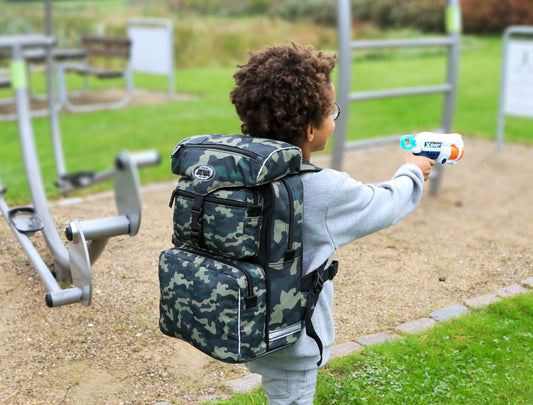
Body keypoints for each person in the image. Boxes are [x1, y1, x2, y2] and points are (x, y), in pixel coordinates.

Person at [229, 42, 435, 405]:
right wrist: (413, 171)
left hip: (243, 318)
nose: (334, 120)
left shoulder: (237, 170)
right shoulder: (323, 190)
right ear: (310, 130)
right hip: (290, 338)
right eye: (331, 113)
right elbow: (385, 203)